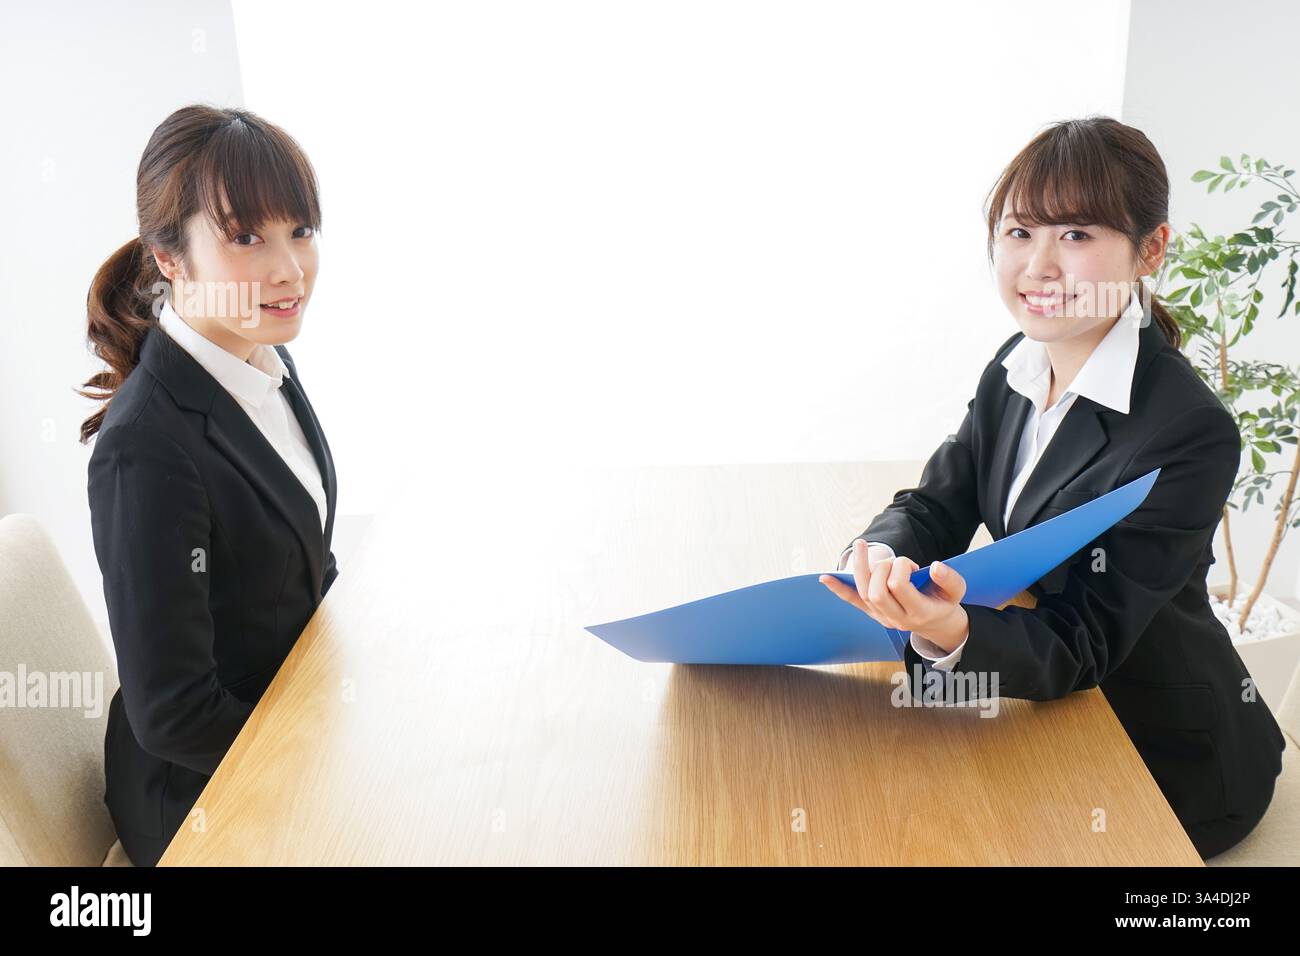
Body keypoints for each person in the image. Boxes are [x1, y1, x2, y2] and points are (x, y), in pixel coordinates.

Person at [819, 116, 1286, 861]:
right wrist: (878, 554)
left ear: (1150, 250)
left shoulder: (1187, 429)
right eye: (1019, 232)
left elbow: (1087, 639)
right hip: (1036, 700)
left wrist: (947, 633)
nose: (1038, 265)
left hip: (1159, 749)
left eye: (1075, 235)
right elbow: (939, 501)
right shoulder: (1018, 362)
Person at [80, 105, 338, 866]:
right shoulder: (144, 449)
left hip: (291, 718)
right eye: (247, 237)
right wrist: (326, 765)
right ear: (169, 258)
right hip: (202, 793)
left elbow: (301, 568)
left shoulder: (264, 361)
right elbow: (172, 714)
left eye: (301, 230)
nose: (289, 269)